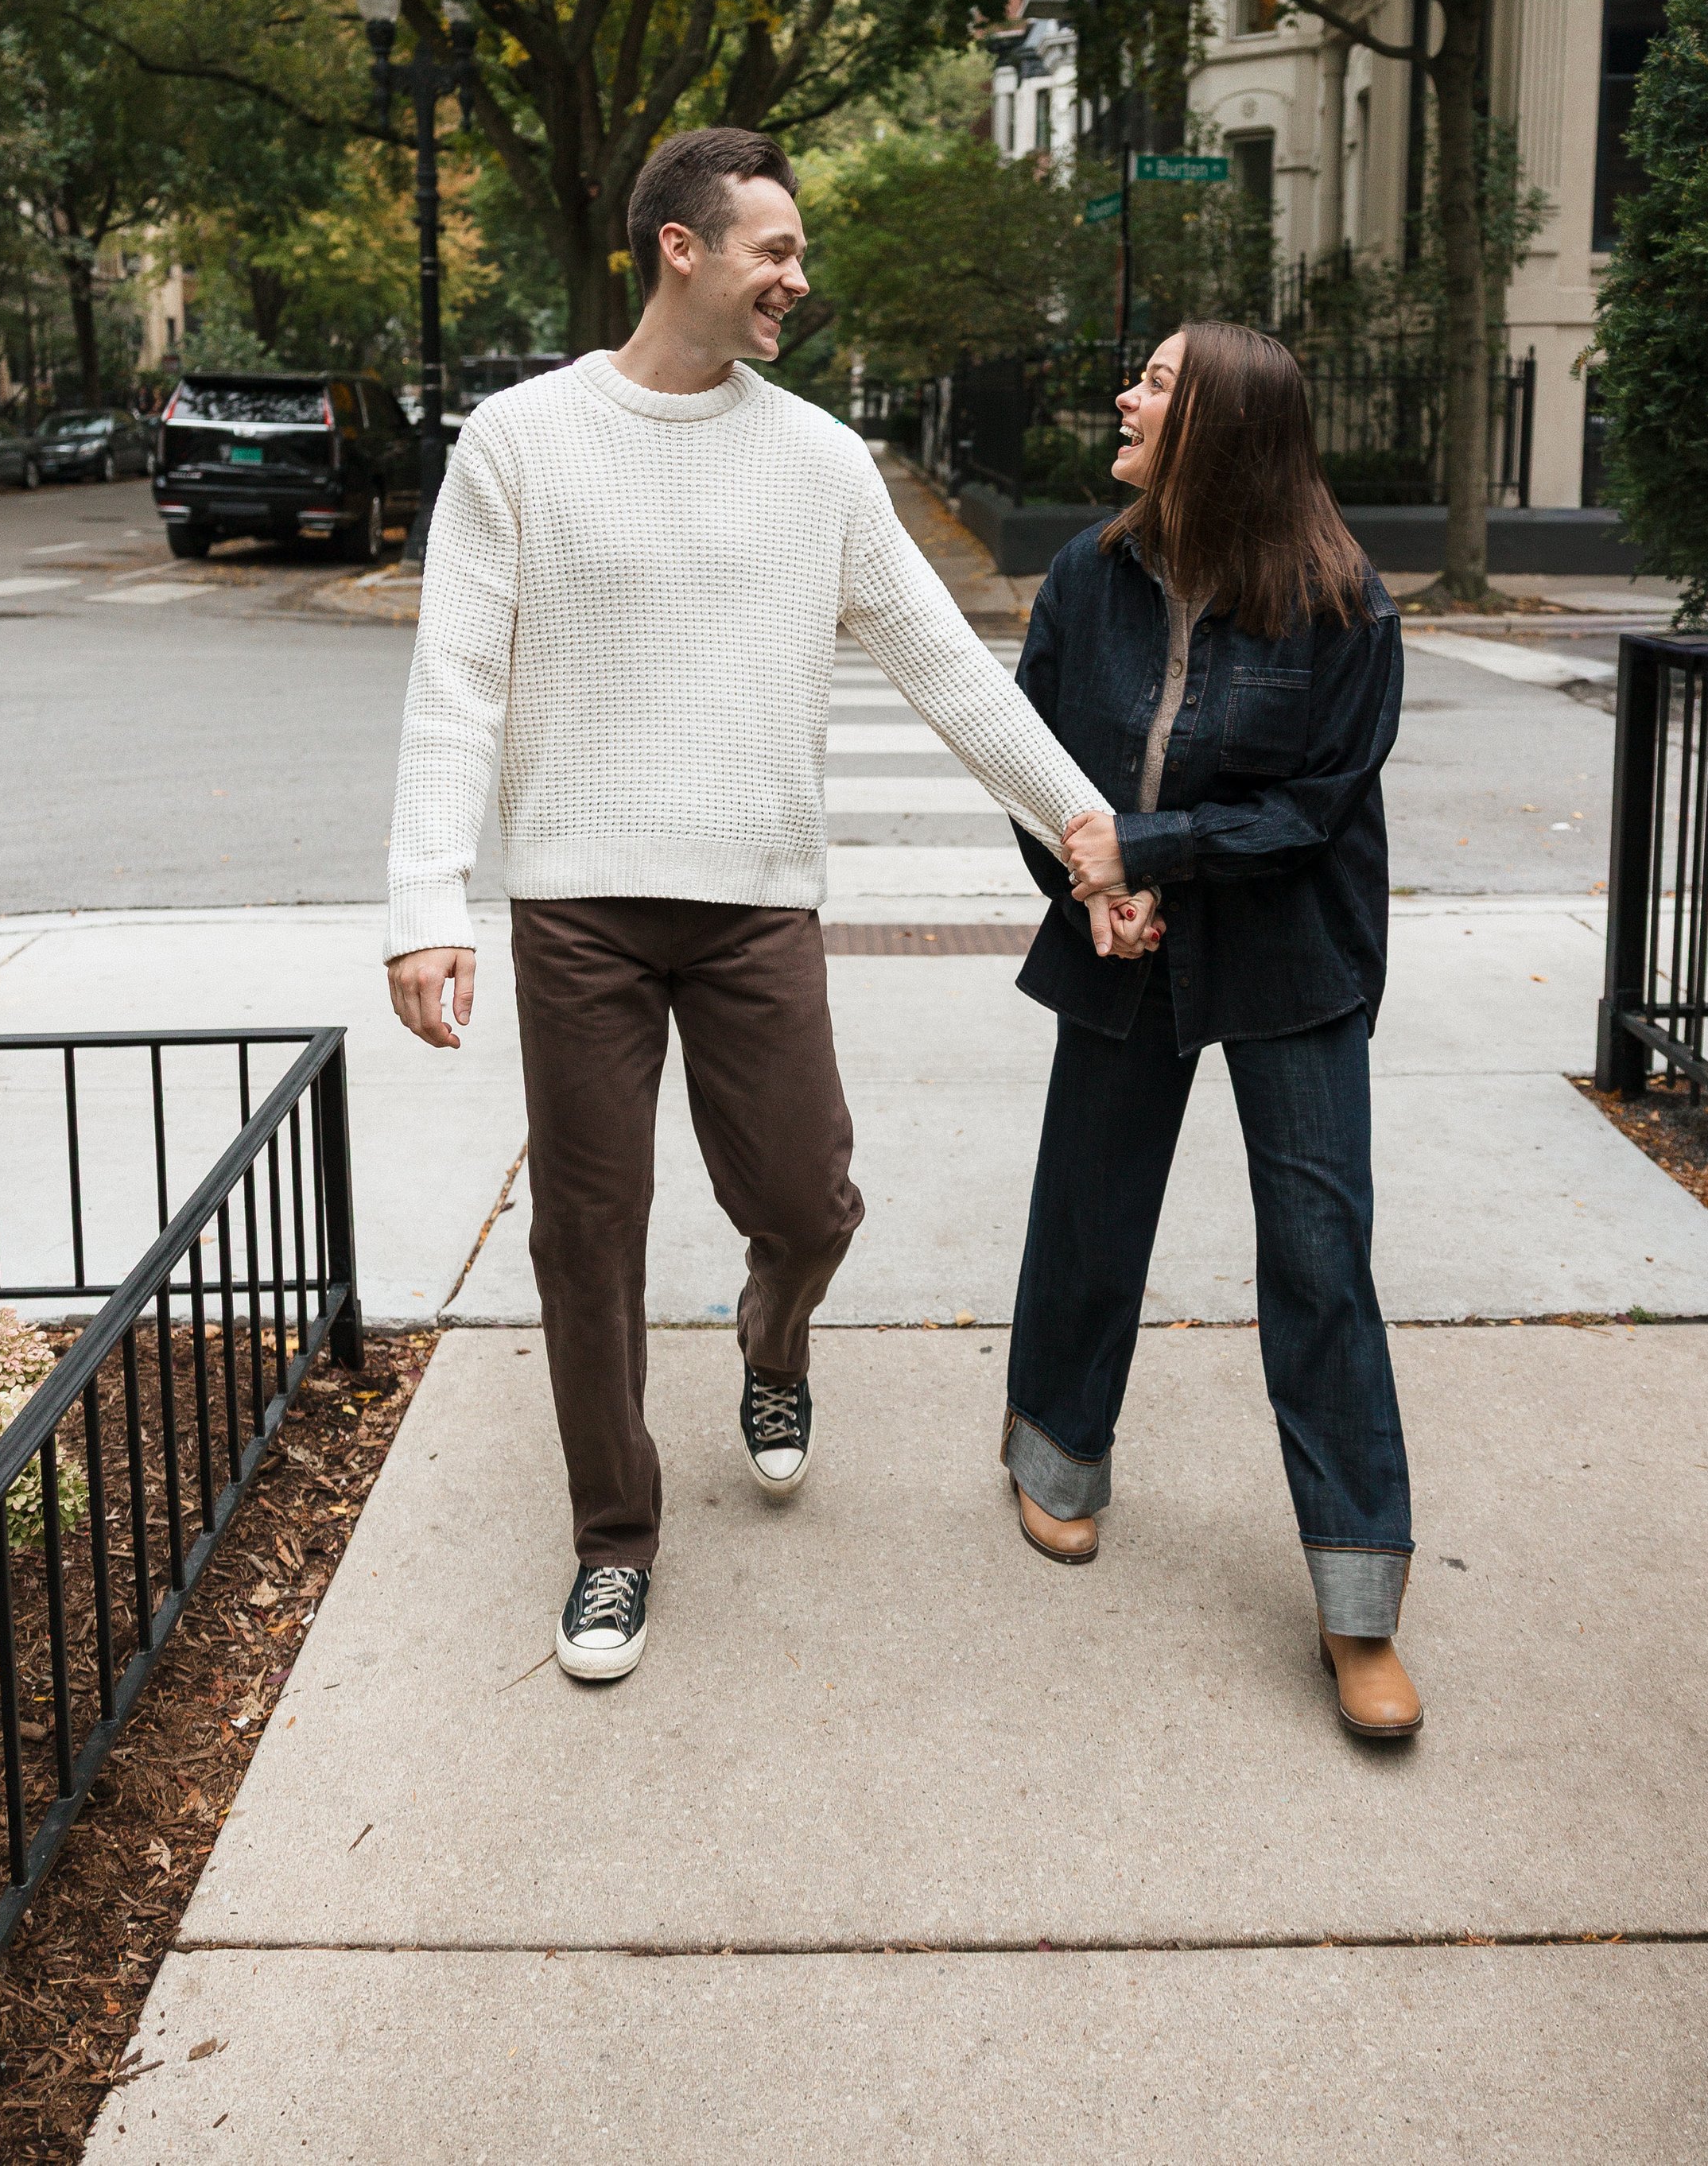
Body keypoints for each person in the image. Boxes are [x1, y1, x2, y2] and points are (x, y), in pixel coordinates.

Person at [382, 126, 1147, 1687]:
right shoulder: (517, 443)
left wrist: (1077, 819)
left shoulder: (815, 462)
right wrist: (425, 900)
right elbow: (454, 684)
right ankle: (614, 1540)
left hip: (751, 908)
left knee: (806, 1203)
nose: (799, 276)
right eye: (774, 250)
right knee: (584, 1236)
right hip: (580, 907)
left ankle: (771, 1337)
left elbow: (942, 663)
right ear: (682, 247)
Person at [1000, 320, 1423, 1740]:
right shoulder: (1088, 574)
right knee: (1089, 1209)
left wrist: (1148, 849)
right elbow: (1034, 767)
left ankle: (1358, 1601)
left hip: (1291, 951)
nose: (1127, 393)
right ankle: (1056, 1460)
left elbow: (1309, 811)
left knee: (1318, 1254)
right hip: (1129, 935)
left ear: (1226, 423)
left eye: (1160, 381)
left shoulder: (1344, 603)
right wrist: (1091, 885)